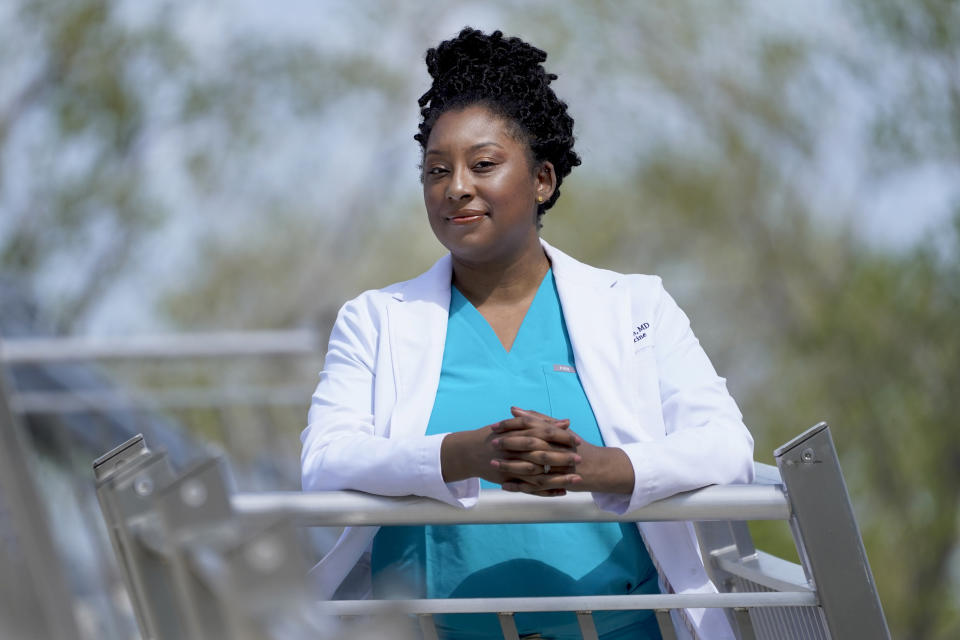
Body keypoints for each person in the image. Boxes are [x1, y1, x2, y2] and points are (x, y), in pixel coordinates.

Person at [301, 27, 754, 640]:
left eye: (482, 164)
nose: (455, 187)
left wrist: (597, 467)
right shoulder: (375, 320)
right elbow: (325, 463)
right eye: (436, 170)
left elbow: (727, 445)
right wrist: (465, 455)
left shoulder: (635, 306)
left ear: (542, 180)